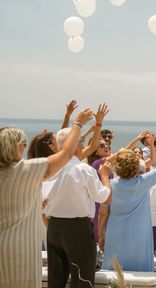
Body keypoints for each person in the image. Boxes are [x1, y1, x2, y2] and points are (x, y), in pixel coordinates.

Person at [0, 107, 94, 288]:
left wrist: (35, 204)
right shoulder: (27, 169)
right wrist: (77, 123)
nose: (24, 147)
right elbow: (66, 154)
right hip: (20, 249)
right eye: (23, 143)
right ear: (14, 147)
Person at [45, 105, 112, 288]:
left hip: (54, 228)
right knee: (83, 280)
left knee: (55, 281)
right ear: (73, 145)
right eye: (80, 141)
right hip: (78, 229)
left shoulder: (47, 170)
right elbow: (105, 198)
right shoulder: (85, 170)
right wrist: (105, 177)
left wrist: (97, 124)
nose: (83, 143)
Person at [101, 130, 156, 271]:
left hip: (115, 232)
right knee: (139, 267)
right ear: (136, 166)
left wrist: (101, 234)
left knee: (115, 268)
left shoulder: (111, 185)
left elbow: (103, 214)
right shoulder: (144, 182)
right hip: (140, 233)